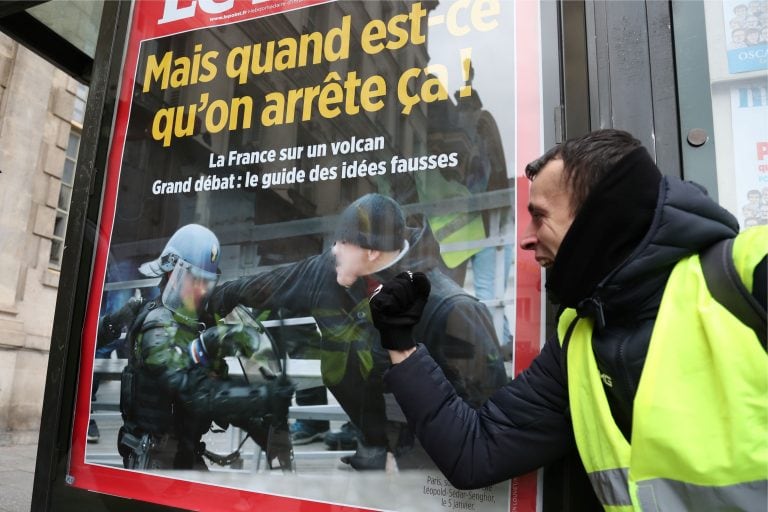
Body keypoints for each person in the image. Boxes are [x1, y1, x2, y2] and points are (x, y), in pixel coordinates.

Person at [373, 130, 767, 510]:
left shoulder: (748, 273)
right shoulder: (578, 340)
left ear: (600, 219)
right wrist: (400, 342)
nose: (525, 239)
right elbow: (476, 451)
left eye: (539, 216)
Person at [206, 193, 507, 470]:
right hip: (372, 442)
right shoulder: (331, 273)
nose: (333, 250)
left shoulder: (450, 308)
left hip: (428, 463)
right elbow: (273, 285)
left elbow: (488, 422)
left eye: (343, 243)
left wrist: (415, 463)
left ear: (372, 251)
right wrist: (209, 301)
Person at [116, 223, 294, 470]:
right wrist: (260, 399)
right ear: (171, 273)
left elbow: (212, 391)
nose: (202, 290)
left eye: (207, 282)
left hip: (184, 454)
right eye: (195, 280)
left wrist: (264, 425)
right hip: (154, 462)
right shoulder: (156, 325)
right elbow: (191, 389)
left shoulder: (194, 322)